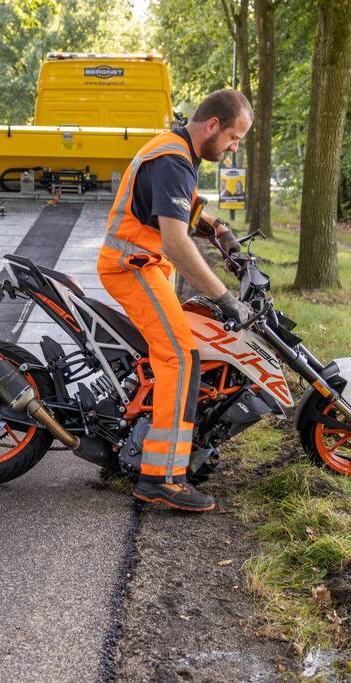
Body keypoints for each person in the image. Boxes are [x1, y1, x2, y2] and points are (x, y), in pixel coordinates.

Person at [97, 89, 254, 512]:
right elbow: (176, 241)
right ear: (213, 125)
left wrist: (218, 231)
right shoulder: (173, 160)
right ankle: (161, 477)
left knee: (174, 350)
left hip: (145, 264)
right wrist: (223, 298)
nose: (235, 147)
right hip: (132, 265)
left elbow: (179, 211)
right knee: (181, 358)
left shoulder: (179, 150)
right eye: (235, 138)